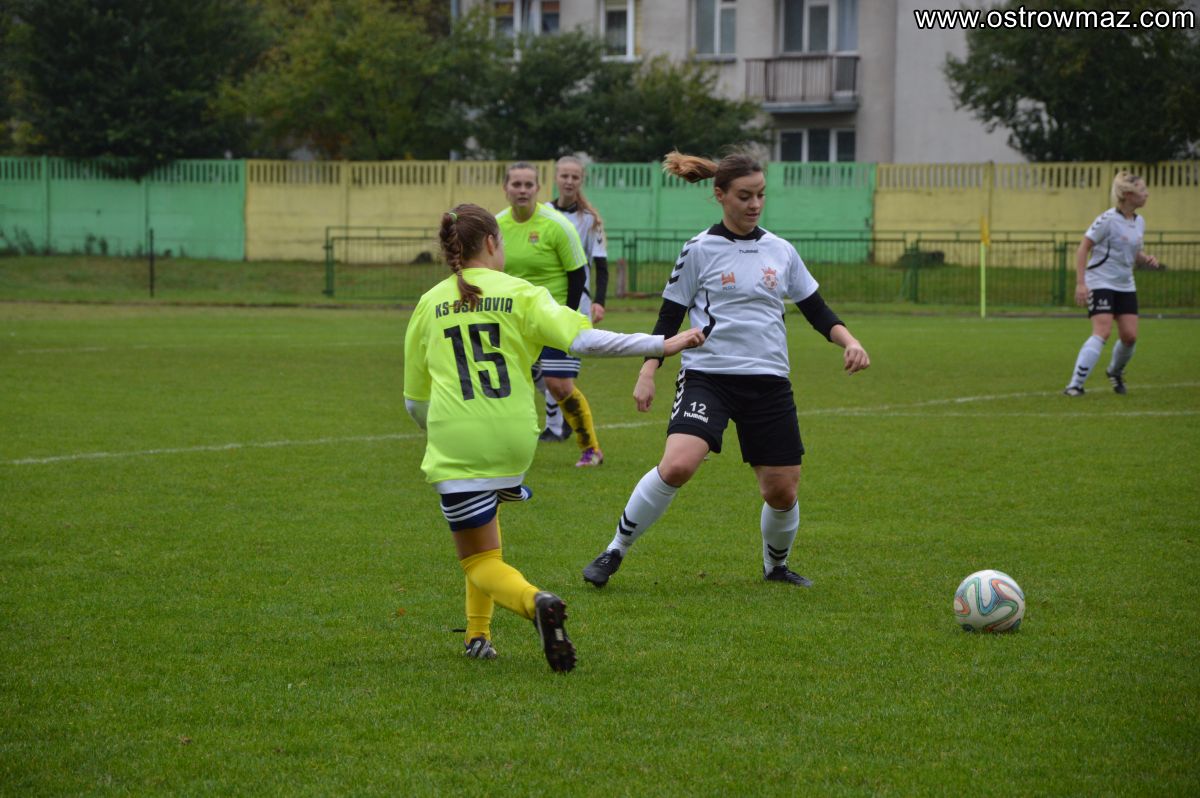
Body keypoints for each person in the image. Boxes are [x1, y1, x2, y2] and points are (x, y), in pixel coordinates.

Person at [403, 203, 704, 671]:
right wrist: (659, 344)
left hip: (459, 438)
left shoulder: (429, 303)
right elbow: (584, 340)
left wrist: (437, 429)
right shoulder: (521, 292)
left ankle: (535, 603)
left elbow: (415, 402)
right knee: (485, 530)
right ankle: (478, 635)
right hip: (514, 436)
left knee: (477, 561)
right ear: (492, 243)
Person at [580, 150, 870, 590]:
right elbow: (669, 317)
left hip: (768, 382)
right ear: (720, 195)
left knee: (781, 491)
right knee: (677, 465)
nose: (754, 204)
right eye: (744, 196)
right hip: (708, 377)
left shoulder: (781, 250)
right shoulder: (699, 249)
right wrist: (648, 371)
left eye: (760, 195)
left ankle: (776, 567)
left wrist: (850, 341)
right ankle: (614, 551)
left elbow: (816, 309)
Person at [497, 162, 605, 467]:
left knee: (559, 384)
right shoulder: (496, 226)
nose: (522, 190)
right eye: (516, 184)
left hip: (553, 316)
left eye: (528, 185)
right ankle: (509, 446)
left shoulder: (557, 225)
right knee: (510, 383)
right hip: (515, 320)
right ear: (505, 188)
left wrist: (565, 316)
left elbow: (578, 273)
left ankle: (591, 449)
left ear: (537, 188)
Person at [1063, 170, 1160, 396]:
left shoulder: (1139, 222)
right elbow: (1083, 248)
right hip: (1100, 281)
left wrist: (1146, 258)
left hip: (1125, 284)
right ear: (1128, 194)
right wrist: (1081, 283)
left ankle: (1114, 372)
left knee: (1130, 337)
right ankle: (1075, 385)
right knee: (1102, 331)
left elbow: (1133, 252)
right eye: (1142, 190)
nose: (1147, 194)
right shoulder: (1107, 220)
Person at [537, 155, 611, 443]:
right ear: (556, 178)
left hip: (575, 302)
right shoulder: (542, 213)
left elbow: (601, 264)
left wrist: (599, 301)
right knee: (536, 366)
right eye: (564, 176)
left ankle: (556, 428)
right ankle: (561, 420)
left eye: (575, 177)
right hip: (542, 301)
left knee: (556, 371)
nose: (569, 181)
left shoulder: (590, 220)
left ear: (581, 180)